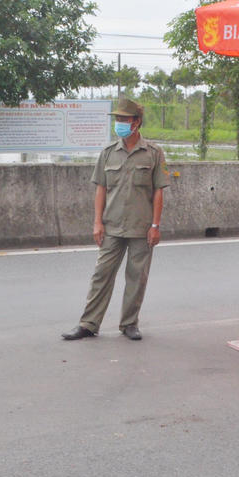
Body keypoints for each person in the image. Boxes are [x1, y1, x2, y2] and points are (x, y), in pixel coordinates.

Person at [62, 98, 168, 341]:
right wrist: (97, 223)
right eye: (117, 119)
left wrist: (155, 226)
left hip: (141, 228)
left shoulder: (153, 153)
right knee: (101, 274)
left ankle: (129, 323)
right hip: (111, 226)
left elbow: (159, 191)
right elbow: (100, 189)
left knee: (137, 277)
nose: (119, 123)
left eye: (124, 119)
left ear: (137, 122)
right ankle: (89, 323)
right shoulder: (108, 153)